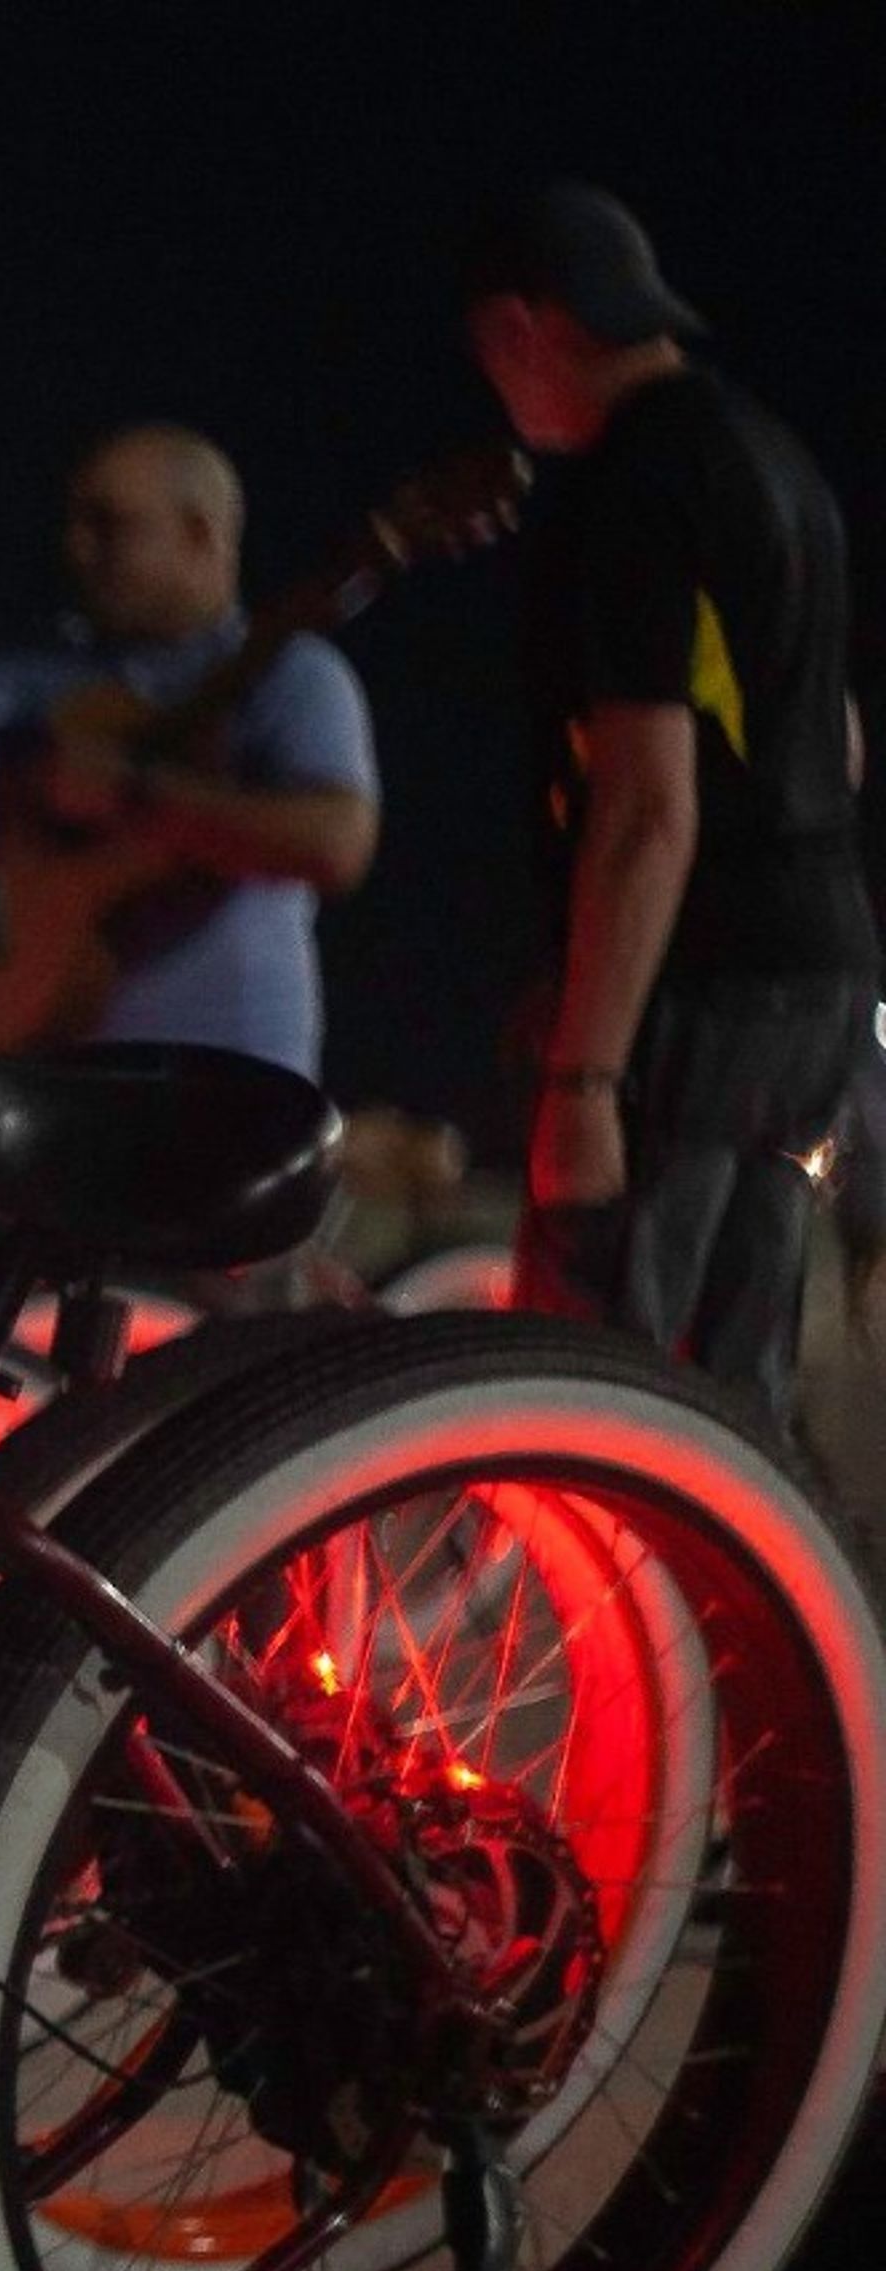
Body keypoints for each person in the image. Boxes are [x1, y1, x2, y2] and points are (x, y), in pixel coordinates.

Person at [470, 183, 878, 1428]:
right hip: (819, 970)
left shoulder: (632, 486)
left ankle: (596, 1624)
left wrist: (582, 1084)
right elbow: (840, 744)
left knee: (593, 1382)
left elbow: (650, 811)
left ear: (525, 329)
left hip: (697, 996)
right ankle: (756, 1614)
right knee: (731, 1390)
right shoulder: (773, 460)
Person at [0, 426, 381, 1076]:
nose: (77, 546)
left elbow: (335, 844)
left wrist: (135, 793)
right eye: (76, 521)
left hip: (233, 1093)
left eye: (110, 526)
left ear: (200, 535)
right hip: (35, 1087)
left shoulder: (293, 677)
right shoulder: (23, 682)